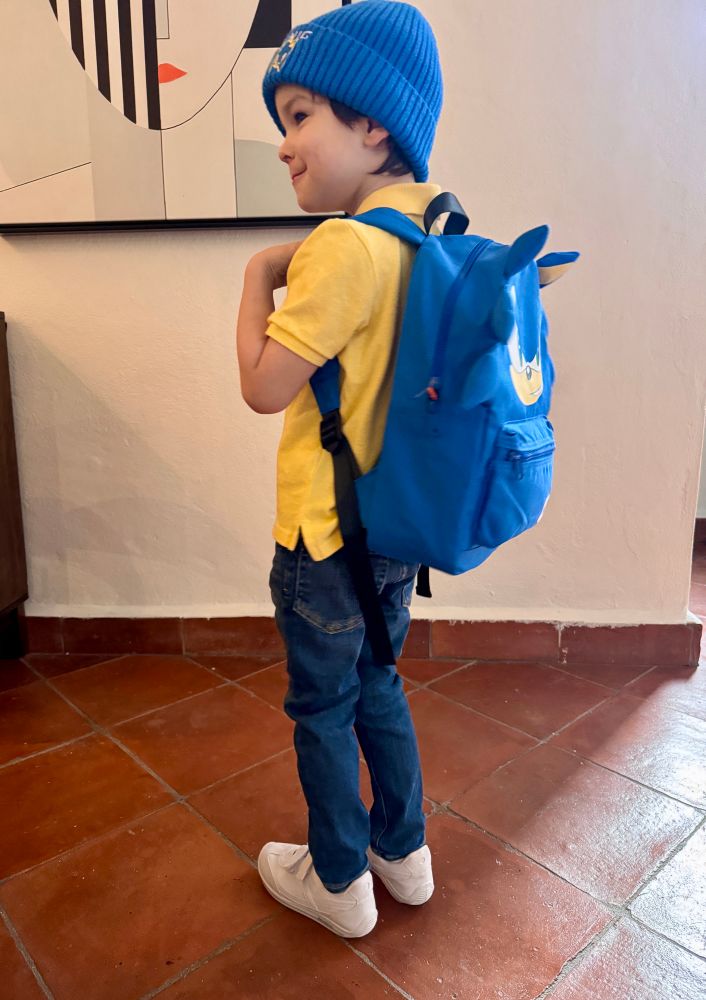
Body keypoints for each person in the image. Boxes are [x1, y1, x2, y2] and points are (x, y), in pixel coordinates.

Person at [236, 0, 442, 938]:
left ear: (374, 125)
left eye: (301, 114)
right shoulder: (432, 240)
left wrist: (254, 280)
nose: (285, 143)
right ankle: (406, 856)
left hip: (322, 536)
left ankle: (338, 881)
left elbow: (264, 387)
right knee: (380, 684)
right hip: (396, 531)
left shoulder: (343, 251)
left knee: (321, 705)